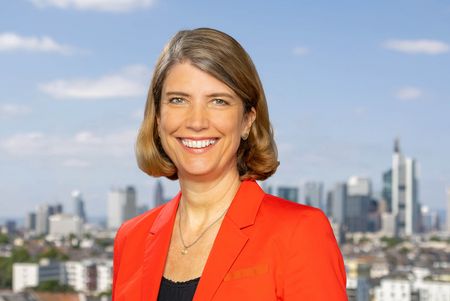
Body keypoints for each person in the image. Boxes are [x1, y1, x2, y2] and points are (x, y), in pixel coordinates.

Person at [112, 28, 347, 301]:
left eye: (218, 101)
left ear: (247, 120)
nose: (196, 122)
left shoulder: (300, 232)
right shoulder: (131, 238)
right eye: (178, 100)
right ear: (158, 117)